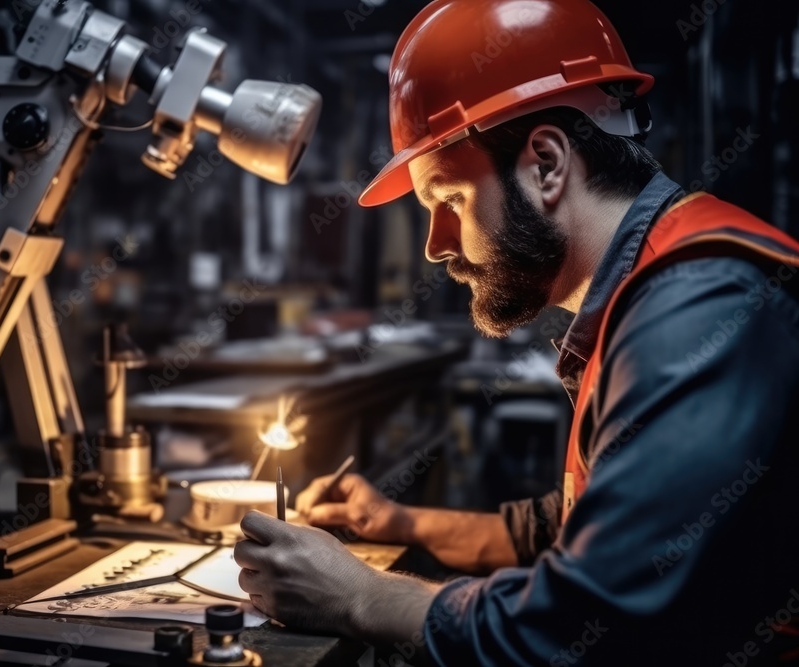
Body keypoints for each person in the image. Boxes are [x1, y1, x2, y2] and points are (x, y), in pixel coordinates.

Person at [232, 0, 799, 665]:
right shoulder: (654, 287)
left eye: (446, 200)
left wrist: (360, 594)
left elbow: (590, 618)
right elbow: (598, 523)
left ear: (548, 165)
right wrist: (402, 523)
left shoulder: (699, 302)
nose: (434, 247)